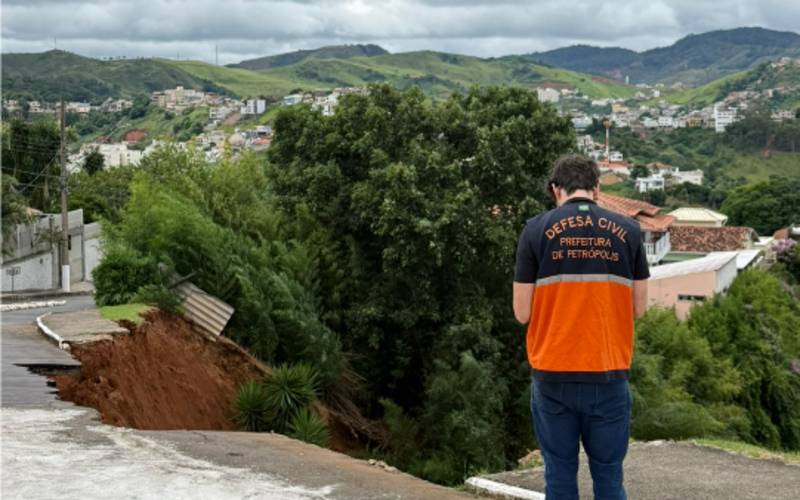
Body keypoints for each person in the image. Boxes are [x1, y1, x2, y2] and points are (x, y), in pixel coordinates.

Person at [513, 155, 649, 500]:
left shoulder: (534, 231)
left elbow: (521, 312)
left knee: (558, 477)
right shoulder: (630, 232)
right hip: (608, 371)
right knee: (609, 479)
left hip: (553, 373)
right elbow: (639, 309)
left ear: (555, 189)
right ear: (597, 189)